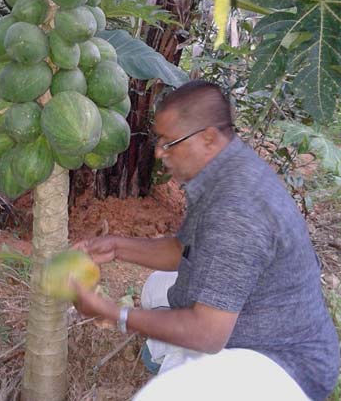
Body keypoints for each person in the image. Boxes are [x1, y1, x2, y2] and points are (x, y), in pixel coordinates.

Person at [70, 80, 339, 401]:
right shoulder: (223, 170)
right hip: (253, 321)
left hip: (284, 364)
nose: (158, 152)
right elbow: (182, 249)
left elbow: (207, 333)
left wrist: (115, 314)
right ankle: (182, 360)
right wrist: (117, 247)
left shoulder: (237, 209)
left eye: (169, 143)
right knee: (157, 287)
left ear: (208, 138)